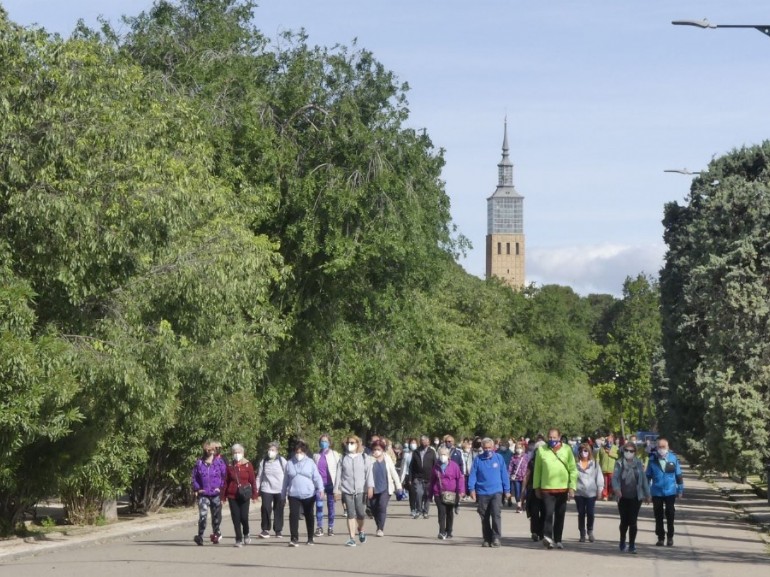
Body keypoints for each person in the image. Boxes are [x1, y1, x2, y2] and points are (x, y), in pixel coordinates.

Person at [533, 428, 577, 550]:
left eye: (554, 437)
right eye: (550, 437)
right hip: (547, 488)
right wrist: (536, 487)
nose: (552, 440)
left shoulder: (567, 449)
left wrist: (572, 486)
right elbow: (537, 470)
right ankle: (548, 538)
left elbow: (573, 469)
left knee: (560, 514)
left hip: (562, 488)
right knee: (548, 513)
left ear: (559, 437)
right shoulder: (542, 450)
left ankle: (558, 539)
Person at [468, 437, 511, 548]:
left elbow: (504, 475)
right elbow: (473, 475)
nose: (487, 450)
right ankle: (487, 538)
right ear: (482, 448)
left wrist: (507, 490)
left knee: (496, 514)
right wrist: (471, 489)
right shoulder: (478, 459)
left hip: (496, 491)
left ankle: (496, 538)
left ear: (493, 447)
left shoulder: (499, 458)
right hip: (482, 492)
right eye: (485, 448)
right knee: (484, 516)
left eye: (489, 448)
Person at [282, 440, 324, 547]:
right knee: (293, 516)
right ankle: (294, 538)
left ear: (305, 452)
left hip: (309, 494)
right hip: (293, 494)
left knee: (309, 515)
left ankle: (310, 537)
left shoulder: (310, 462)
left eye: (301, 452)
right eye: (297, 452)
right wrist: (283, 494)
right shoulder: (289, 463)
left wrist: (321, 489)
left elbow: (317, 478)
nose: (298, 454)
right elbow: (285, 480)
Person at [335, 434, 374, 547]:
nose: (349, 445)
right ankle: (352, 538)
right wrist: (336, 490)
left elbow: (368, 474)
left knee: (361, 514)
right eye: (348, 443)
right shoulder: (343, 458)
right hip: (347, 490)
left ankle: (361, 529)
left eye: (352, 443)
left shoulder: (364, 457)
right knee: (350, 514)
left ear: (357, 444)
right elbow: (338, 475)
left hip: (360, 490)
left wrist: (370, 487)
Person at [611, 442, 651, 553]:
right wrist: (617, 489)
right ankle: (622, 541)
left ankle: (632, 545)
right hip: (622, 496)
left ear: (635, 452)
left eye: (631, 451)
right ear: (623, 451)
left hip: (636, 497)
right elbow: (615, 478)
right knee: (624, 521)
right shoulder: (619, 463)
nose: (629, 453)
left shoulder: (638, 463)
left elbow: (643, 479)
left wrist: (647, 494)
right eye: (627, 450)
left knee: (633, 521)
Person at [646, 437, 684, 547]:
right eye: (659, 447)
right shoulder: (652, 459)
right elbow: (647, 476)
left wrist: (680, 490)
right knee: (658, 515)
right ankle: (660, 538)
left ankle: (670, 536)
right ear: (656, 447)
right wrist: (647, 492)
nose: (661, 449)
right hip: (656, 492)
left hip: (670, 491)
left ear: (668, 447)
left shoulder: (673, 458)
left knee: (670, 514)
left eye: (664, 447)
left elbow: (679, 475)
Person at [191, 441, 226, 545]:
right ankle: (200, 536)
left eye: (212, 449)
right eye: (208, 449)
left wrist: (220, 487)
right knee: (203, 516)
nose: (210, 451)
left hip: (215, 494)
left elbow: (224, 476)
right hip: (204, 494)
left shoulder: (219, 462)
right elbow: (194, 477)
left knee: (216, 516)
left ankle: (216, 534)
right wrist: (197, 488)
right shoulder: (199, 463)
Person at [224, 443, 258, 547]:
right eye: (235, 452)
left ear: (243, 453)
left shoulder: (248, 465)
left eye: (239, 452)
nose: (237, 454)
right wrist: (223, 496)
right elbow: (225, 481)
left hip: (244, 495)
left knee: (244, 517)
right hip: (232, 495)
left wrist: (255, 495)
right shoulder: (229, 466)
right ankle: (238, 539)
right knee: (236, 518)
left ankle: (246, 533)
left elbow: (252, 480)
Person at [428, 446, 465, 540]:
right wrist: (430, 494)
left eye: (444, 454)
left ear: (448, 456)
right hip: (439, 493)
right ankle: (442, 531)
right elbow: (432, 480)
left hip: (451, 493)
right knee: (441, 512)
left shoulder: (454, 465)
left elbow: (460, 478)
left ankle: (449, 531)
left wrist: (461, 491)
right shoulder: (436, 466)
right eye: (441, 454)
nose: (442, 456)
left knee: (449, 512)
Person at [368, 439, 403, 537]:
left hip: (385, 488)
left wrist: (399, 486)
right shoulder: (369, 459)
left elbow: (394, 473)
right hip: (373, 488)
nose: (376, 451)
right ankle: (378, 524)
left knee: (382, 506)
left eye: (378, 449)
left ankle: (380, 528)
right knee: (374, 508)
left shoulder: (387, 459)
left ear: (383, 450)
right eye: (374, 449)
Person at [574, 441, 603, 543]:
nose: (584, 453)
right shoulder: (575, 464)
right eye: (582, 451)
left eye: (586, 450)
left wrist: (600, 489)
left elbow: (599, 477)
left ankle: (590, 531)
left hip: (591, 493)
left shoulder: (594, 464)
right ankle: (582, 533)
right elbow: (573, 478)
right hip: (579, 493)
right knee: (581, 513)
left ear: (589, 452)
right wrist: (571, 490)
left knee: (590, 512)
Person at [313, 433, 341, 537]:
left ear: (329, 442)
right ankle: (319, 527)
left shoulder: (334, 454)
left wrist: (338, 488)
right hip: (319, 485)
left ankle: (330, 527)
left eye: (325, 441)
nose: (323, 443)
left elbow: (339, 470)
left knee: (331, 506)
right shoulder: (316, 455)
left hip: (331, 484)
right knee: (319, 506)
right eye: (322, 441)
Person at [257, 441, 286, 538]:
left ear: (277, 451)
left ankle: (278, 530)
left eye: (273, 450)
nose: (270, 451)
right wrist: (256, 488)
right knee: (265, 508)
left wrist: (287, 488)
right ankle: (265, 529)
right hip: (266, 488)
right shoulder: (264, 461)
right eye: (269, 449)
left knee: (278, 510)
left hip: (279, 489)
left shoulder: (282, 461)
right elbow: (259, 476)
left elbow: (288, 474)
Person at [408, 435, 437, 519]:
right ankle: (419, 510)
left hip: (429, 478)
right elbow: (411, 467)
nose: (423, 442)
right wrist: (410, 478)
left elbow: (435, 465)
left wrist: (436, 477)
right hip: (418, 477)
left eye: (425, 440)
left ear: (428, 442)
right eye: (422, 440)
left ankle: (425, 511)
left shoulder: (432, 452)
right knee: (419, 493)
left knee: (427, 495)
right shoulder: (416, 452)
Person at [508, 440, 529, 513]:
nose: (518, 449)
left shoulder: (526, 456)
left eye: (520, 447)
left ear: (523, 448)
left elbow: (529, 466)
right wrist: (509, 475)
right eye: (517, 448)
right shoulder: (513, 457)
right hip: (516, 478)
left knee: (524, 492)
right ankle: (519, 506)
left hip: (525, 478)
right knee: (517, 492)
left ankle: (523, 502)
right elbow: (510, 467)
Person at [595, 433, 618, 500]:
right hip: (604, 468)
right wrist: (597, 464)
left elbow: (617, 456)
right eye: (607, 440)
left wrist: (610, 453)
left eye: (610, 441)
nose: (609, 442)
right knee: (605, 483)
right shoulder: (602, 448)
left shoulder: (615, 448)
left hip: (612, 468)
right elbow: (598, 457)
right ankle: (605, 495)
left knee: (611, 483)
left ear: (613, 440)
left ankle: (610, 494)